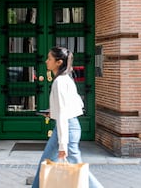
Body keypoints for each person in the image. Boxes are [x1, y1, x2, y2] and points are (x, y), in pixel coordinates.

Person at [31, 46, 104, 188]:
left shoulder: (60, 82)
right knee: (51, 164)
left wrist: (62, 145)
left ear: (58, 62)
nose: (46, 61)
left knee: (74, 167)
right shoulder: (66, 79)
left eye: (49, 59)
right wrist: (53, 112)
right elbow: (77, 104)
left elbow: (64, 114)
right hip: (68, 127)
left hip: (66, 129)